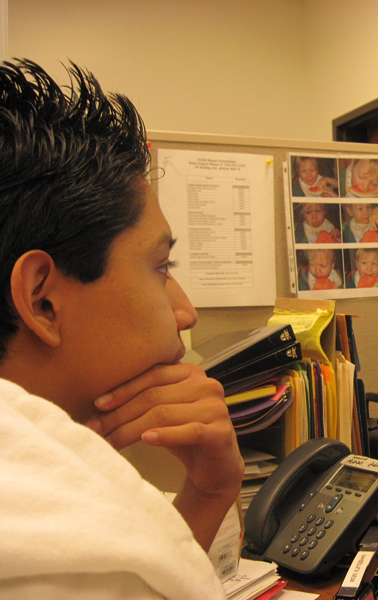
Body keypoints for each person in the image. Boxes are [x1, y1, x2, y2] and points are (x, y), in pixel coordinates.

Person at [0, 59, 243, 598]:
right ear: (42, 300)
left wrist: (209, 492)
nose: (186, 314)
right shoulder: (64, 567)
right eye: (161, 270)